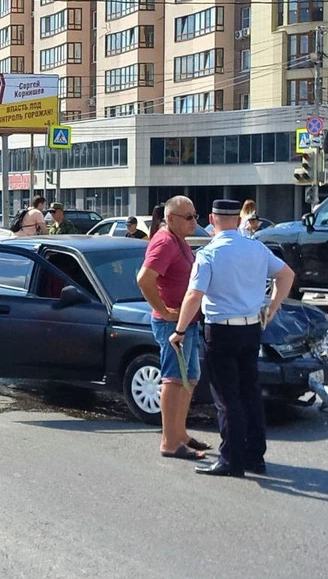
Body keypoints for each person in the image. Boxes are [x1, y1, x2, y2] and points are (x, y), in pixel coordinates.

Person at [172, 200, 295, 478]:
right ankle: (254, 456)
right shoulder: (256, 247)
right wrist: (272, 307)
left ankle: (231, 459)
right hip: (251, 328)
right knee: (250, 392)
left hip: (221, 331)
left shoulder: (209, 253)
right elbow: (286, 275)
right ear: (238, 220)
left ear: (212, 220)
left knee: (226, 398)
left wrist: (179, 331)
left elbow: (194, 295)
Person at [137, 196, 208, 461]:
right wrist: (165, 310)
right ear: (170, 219)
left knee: (189, 377)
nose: (194, 222)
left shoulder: (178, 241)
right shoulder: (165, 242)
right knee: (174, 379)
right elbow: (144, 279)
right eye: (188, 217)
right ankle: (169, 441)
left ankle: (180, 434)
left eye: (195, 215)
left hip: (185, 322)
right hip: (172, 323)